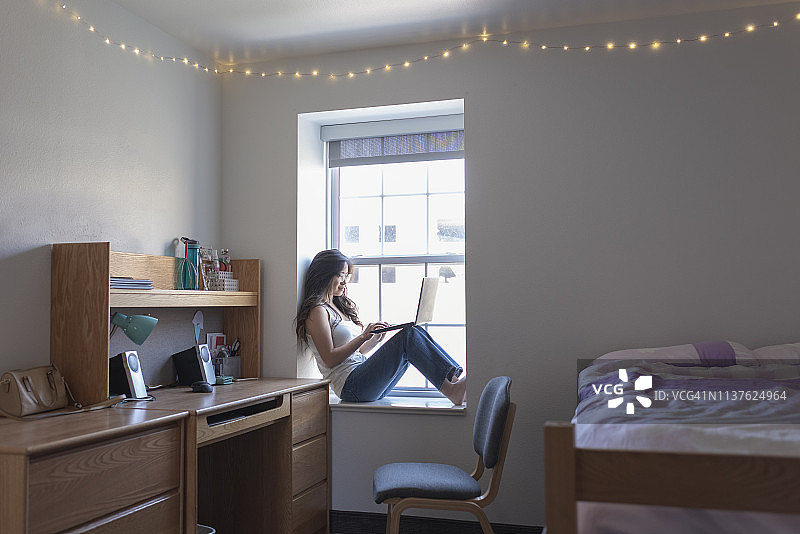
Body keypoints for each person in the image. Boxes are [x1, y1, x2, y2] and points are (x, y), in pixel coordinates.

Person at [295, 249, 467, 405]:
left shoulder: (336, 307)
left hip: (360, 378)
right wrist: (362, 336)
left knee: (413, 331)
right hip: (351, 386)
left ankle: (452, 380)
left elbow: (356, 353)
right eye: (341, 275)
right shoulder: (317, 311)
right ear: (325, 274)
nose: (345, 282)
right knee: (408, 337)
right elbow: (330, 359)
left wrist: (374, 339)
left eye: (346, 276)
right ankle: (452, 390)